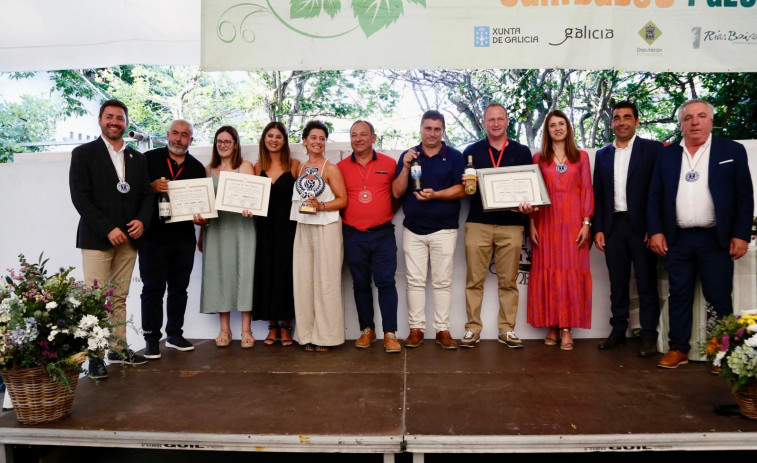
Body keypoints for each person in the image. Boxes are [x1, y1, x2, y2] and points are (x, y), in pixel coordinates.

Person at [648, 99, 754, 369]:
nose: (695, 122)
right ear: (681, 124)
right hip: (677, 238)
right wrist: (656, 231)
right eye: (689, 118)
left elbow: (745, 197)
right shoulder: (667, 154)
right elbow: (654, 197)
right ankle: (678, 348)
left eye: (701, 116)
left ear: (710, 120)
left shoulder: (732, 150)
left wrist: (741, 234)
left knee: (719, 296)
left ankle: (723, 353)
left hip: (715, 238)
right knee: (679, 294)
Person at [69, 99, 152, 378]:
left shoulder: (137, 159)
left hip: (129, 240)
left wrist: (141, 220)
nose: (115, 122)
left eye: (120, 118)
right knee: (95, 299)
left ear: (127, 123)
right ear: (100, 120)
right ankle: (95, 357)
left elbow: (146, 195)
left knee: (119, 297)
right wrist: (107, 229)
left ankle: (118, 350)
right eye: (109, 117)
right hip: (96, 239)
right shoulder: (83, 154)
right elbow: (81, 198)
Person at [460, 103, 534, 349]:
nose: (495, 123)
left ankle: (507, 329)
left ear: (507, 121)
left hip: (512, 225)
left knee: (509, 281)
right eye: (490, 119)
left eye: (500, 119)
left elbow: (529, 188)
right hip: (478, 222)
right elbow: (464, 189)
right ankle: (472, 328)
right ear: (484, 123)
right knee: (474, 280)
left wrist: (528, 206)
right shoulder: (471, 152)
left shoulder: (522, 151)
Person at [593, 101, 663, 358]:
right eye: (617, 118)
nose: (621, 122)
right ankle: (618, 332)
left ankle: (648, 336)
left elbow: (660, 191)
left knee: (646, 283)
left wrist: (654, 227)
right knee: (618, 284)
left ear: (637, 120)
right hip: (613, 227)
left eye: (627, 117)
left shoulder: (652, 150)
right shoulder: (602, 154)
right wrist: (598, 229)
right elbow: (598, 195)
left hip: (642, 228)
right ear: (612, 123)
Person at [392, 110, 466, 350]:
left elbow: (462, 190)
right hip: (413, 230)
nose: (432, 133)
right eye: (428, 128)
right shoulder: (409, 155)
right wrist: (404, 167)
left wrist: (436, 195)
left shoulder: (455, 156)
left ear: (443, 130)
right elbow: (396, 192)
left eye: (437, 129)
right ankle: (416, 330)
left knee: (443, 282)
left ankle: (442, 330)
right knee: (414, 281)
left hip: (444, 229)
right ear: (421, 129)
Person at [139, 119, 206, 359]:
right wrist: (151, 187)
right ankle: (151, 339)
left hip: (183, 238)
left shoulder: (197, 167)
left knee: (179, 289)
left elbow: (201, 203)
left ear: (191, 139)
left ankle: (175, 334)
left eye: (184, 135)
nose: (178, 139)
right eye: (175, 133)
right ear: (167, 135)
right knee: (152, 289)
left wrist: (202, 218)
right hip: (152, 237)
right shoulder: (148, 159)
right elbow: (133, 191)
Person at [527, 109, 594, 351]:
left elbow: (586, 189)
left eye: (561, 124)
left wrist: (587, 223)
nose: (557, 128)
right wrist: (532, 223)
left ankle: (566, 327)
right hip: (546, 222)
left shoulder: (581, 157)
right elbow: (533, 193)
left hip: (574, 223)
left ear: (568, 128)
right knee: (549, 272)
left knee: (571, 274)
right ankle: (552, 325)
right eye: (553, 125)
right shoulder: (538, 159)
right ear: (547, 131)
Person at [337, 120, 401, 353]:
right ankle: (367, 330)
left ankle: (390, 333)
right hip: (353, 235)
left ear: (373, 138)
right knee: (360, 284)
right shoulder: (341, 167)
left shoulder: (389, 163)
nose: (358, 139)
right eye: (354, 135)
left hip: (383, 234)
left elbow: (397, 194)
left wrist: (382, 213)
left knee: (386, 283)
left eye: (363, 134)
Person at [290, 120, 348, 352]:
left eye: (322, 138)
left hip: (327, 228)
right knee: (303, 281)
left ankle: (326, 337)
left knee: (327, 282)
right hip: (304, 227)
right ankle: (305, 334)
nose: (317, 142)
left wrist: (321, 206)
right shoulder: (299, 168)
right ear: (304, 140)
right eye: (313, 137)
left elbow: (343, 200)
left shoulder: (331, 168)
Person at [197, 126, 256, 348]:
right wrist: (201, 231)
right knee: (220, 275)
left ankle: (246, 330)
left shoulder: (246, 167)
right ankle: (224, 329)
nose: (223, 144)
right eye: (219, 141)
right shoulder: (208, 169)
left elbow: (254, 198)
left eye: (228, 141)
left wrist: (252, 207)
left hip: (244, 228)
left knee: (245, 274)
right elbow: (205, 206)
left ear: (236, 144)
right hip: (217, 230)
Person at [252, 122, 301, 347]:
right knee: (267, 275)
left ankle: (287, 326)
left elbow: (305, 194)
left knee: (286, 276)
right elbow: (249, 199)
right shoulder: (256, 167)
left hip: (288, 229)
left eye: (279, 136)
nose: (274, 140)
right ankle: (272, 326)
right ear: (264, 139)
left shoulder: (295, 165)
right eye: (270, 136)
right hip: (263, 229)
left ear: (285, 140)